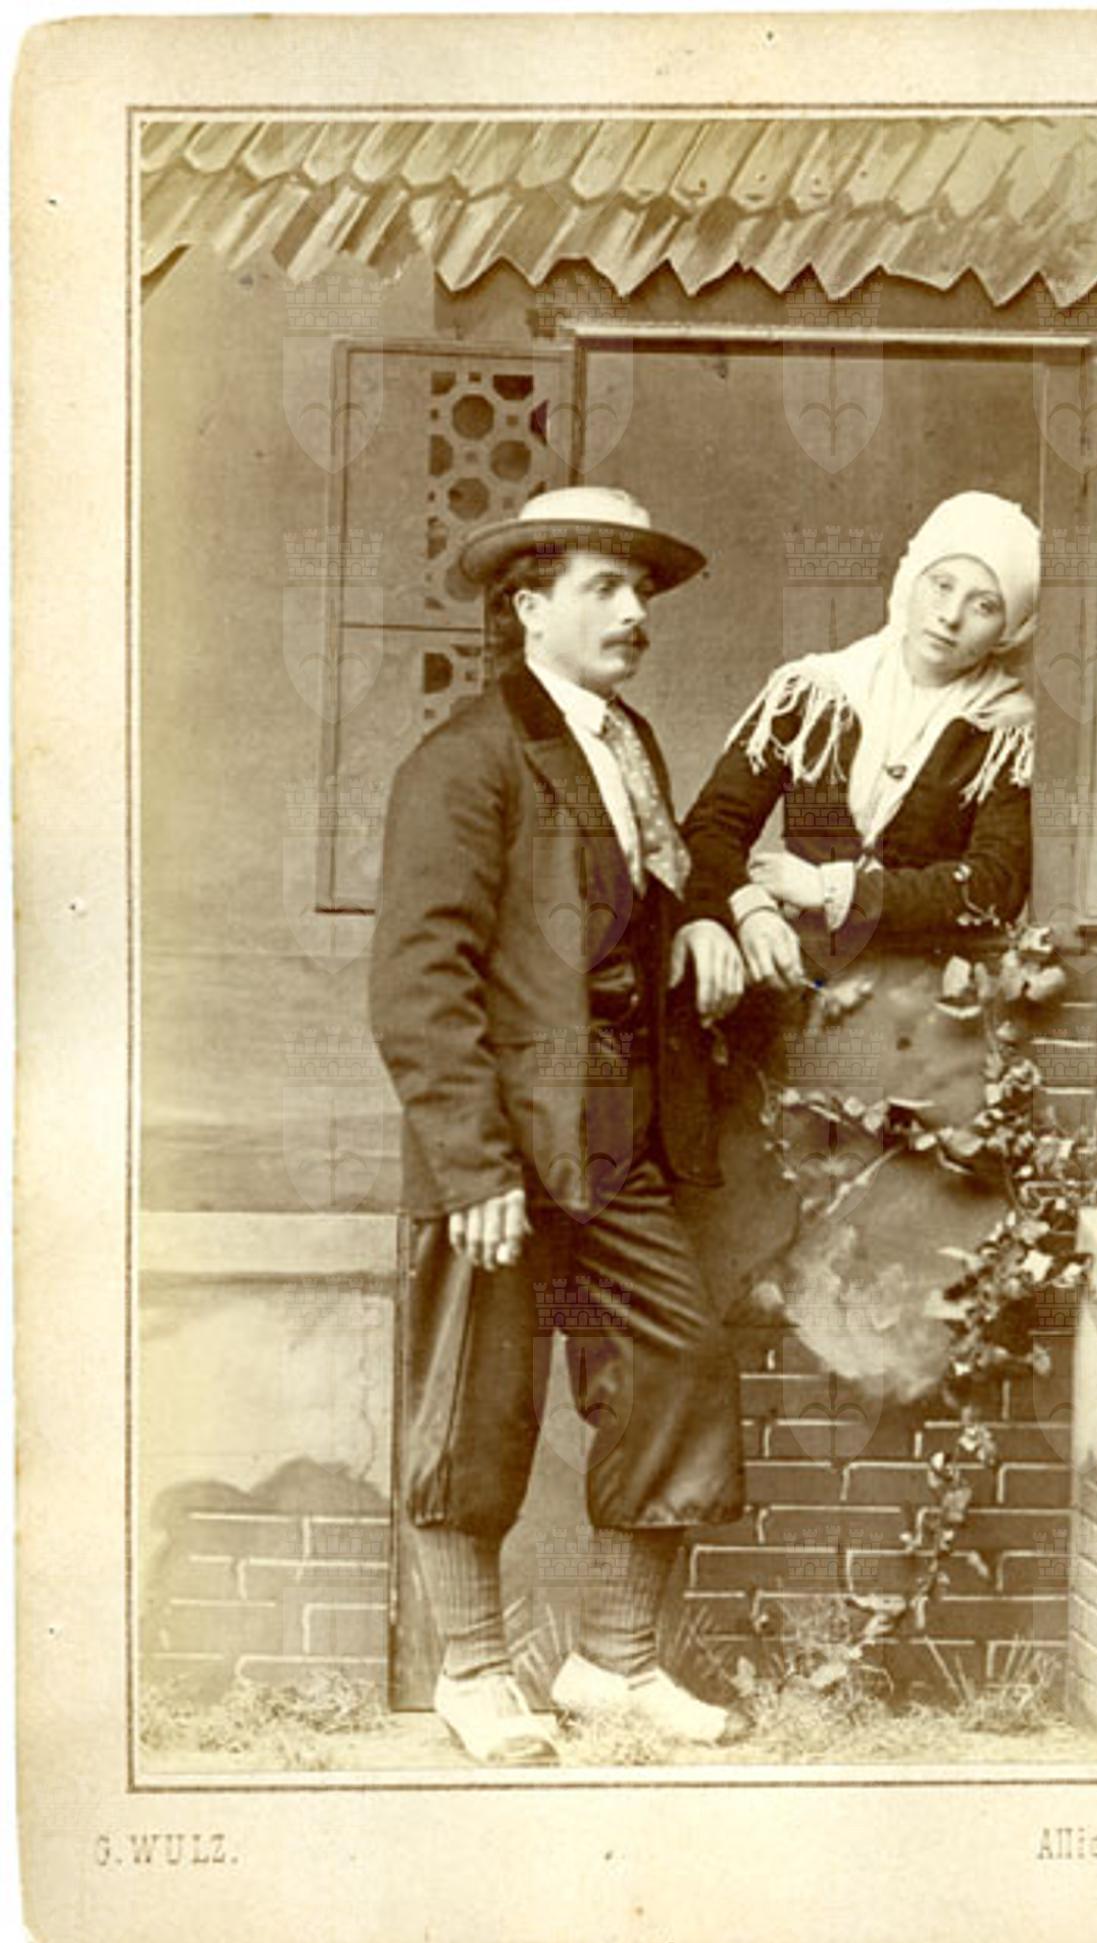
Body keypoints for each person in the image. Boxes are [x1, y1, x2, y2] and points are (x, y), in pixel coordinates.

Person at [368, 487, 749, 1766]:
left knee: (674, 1358)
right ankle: (473, 1672)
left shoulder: (625, 743)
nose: (634, 612)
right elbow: (418, 981)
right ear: (529, 607)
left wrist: (699, 919)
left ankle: (613, 1664)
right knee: (476, 1397)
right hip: (499, 1137)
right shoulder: (466, 759)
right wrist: (472, 1164)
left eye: (641, 591)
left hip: (614, 1131)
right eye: (604, 587)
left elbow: (628, 905)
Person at [678, 490, 1041, 1401]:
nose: (950, 616)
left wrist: (835, 889)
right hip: (779, 1008)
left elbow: (993, 885)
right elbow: (708, 832)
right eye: (940, 585)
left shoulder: (1003, 730)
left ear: (1008, 626)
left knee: (892, 1266)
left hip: (906, 1024)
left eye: (983, 604)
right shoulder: (811, 693)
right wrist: (751, 912)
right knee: (748, 1237)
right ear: (908, 579)